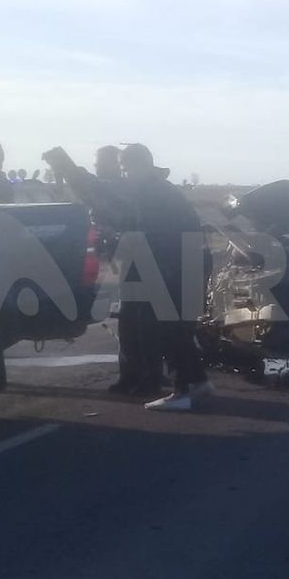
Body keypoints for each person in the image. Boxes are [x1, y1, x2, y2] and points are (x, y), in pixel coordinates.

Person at [44, 143, 212, 411]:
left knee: (168, 329)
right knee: (176, 328)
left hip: (170, 265)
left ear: (138, 166)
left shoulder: (147, 190)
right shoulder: (158, 189)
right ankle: (196, 383)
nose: (122, 174)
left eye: (124, 168)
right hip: (179, 263)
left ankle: (185, 391)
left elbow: (102, 194)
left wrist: (66, 167)